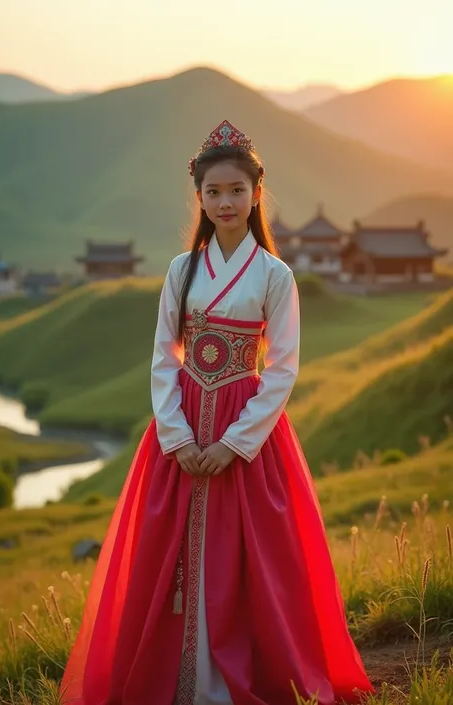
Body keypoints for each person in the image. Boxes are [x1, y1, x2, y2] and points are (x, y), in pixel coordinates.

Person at [60, 120, 374, 705]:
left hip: (244, 431)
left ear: (257, 193)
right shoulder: (181, 272)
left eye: (236, 190)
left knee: (250, 558)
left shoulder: (275, 276)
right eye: (213, 192)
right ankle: (175, 680)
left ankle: (236, 679)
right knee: (168, 551)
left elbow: (281, 367)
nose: (225, 202)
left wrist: (234, 442)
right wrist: (176, 437)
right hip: (180, 428)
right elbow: (162, 355)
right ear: (198, 198)